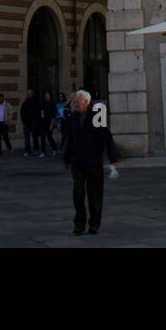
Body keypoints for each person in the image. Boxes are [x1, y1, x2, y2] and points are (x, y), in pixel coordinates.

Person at [62, 90, 118, 236]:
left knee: (95, 195)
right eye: (74, 102)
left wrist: (113, 159)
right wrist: (66, 158)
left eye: (77, 102)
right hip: (78, 161)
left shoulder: (97, 116)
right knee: (78, 192)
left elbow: (107, 138)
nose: (75, 105)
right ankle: (79, 224)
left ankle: (94, 223)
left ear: (86, 103)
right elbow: (69, 138)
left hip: (93, 161)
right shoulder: (73, 118)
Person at [19, 89, 41, 157]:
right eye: (27, 93)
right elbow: (22, 111)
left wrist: (36, 119)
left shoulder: (36, 102)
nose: (28, 94)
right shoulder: (25, 102)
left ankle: (36, 150)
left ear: (32, 94)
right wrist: (23, 120)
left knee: (34, 137)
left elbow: (38, 111)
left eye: (30, 93)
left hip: (33, 122)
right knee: (26, 138)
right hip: (26, 122)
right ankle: (27, 151)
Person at [40, 91, 57, 157]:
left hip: (50, 122)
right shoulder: (43, 102)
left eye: (48, 94)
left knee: (49, 137)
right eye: (46, 94)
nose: (47, 95)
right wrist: (41, 113)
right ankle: (43, 151)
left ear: (50, 95)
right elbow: (41, 111)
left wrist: (52, 124)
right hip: (43, 122)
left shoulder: (52, 103)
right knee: (42, 137)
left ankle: (54, 149)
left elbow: (54, 114)